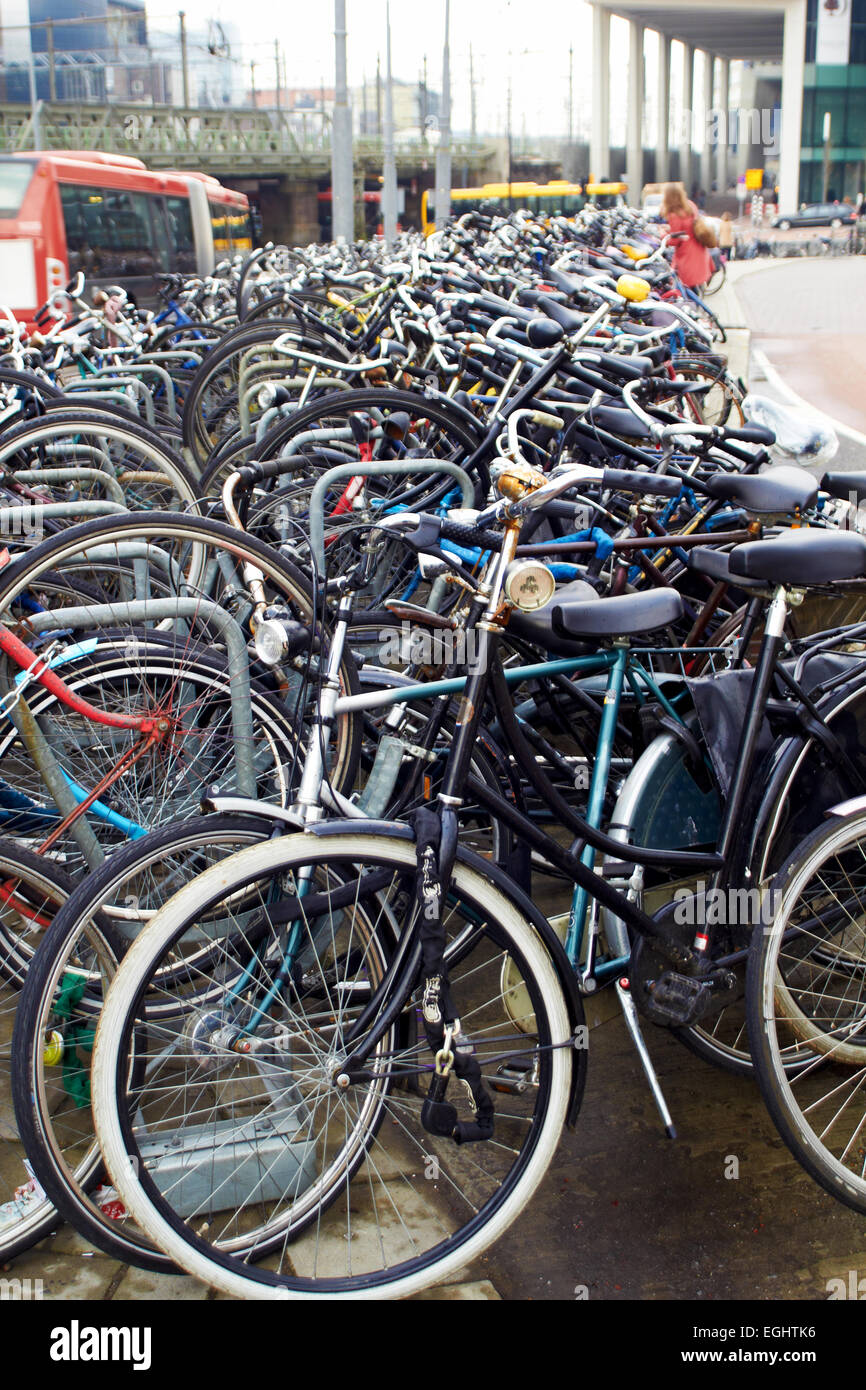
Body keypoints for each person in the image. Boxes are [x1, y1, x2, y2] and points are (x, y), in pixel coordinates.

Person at [661, 181, 714, 289]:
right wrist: (670, 229)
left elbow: (675, 240)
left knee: (687, 289)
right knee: (696, 287)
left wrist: (662, 235)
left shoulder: (674, 214)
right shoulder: (690, 205)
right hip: (698, 248)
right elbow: (687, 227)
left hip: (687, 254)